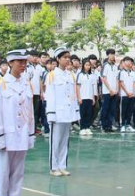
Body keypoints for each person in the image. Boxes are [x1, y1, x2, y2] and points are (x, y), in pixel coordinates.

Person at [0, 49, 35, 196]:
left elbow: (30, 112)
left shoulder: (26, 84)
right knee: (2, 176)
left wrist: (30, 134)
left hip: (21, 134)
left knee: (18, 175)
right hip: (6, 136)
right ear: (10, 62)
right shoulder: (1, 84)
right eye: (19, 61)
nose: (23, 65)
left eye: (25, 62)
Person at [44, 47, 80, 176]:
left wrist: (75, 112)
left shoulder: (71, 75)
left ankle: (62, 165)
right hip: (57, 113)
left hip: (68, 112)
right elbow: (50, 96)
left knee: (65, 140)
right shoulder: (52, 75)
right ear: (58, 59)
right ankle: (54, 167)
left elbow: (73, 95)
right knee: (55, 141)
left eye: (68, 57)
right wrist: (51, 114)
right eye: (64, 57)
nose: (67, 60)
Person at [76, 58, 97, 136]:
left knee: (89, 113)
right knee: (82, 113)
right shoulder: (80, 75)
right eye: (86, 65)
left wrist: (93, 98)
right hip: (82, 97)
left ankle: (87, 127)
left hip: (89, 97)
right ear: (83, 65)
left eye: (89, 65)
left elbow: (92, 87)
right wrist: (79, 97)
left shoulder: (91, 75)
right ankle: (82, 128)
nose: (88, 67)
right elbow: (77, 86)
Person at [100, 49, 118, 133]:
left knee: (112, 109)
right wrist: (110, 89)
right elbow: (104, 78)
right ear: (107, 55)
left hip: (114, 92)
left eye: (113, 54)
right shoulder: (105, 65)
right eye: (111, 54)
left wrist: (116, 89)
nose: (112, 55)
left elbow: (117, 79)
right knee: (105, 109)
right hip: (107, 92)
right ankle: (104, 126)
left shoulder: (115, 66)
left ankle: (110, 125)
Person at [118, 56, 135, 133]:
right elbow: (121, 83)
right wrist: (127, 92)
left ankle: (128, 125)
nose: (129, 62)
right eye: (127, 60)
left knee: (130, 110)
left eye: (130, 61)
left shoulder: (133, 72)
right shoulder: (121, 72)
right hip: (124, 95)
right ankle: (122, 125)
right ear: (124, 62)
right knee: (123, 110)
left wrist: (132, 92)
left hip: (132, 94)